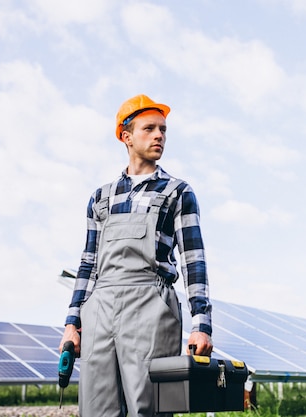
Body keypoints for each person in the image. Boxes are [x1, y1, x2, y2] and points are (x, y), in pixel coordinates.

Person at [59, 94, 213, 417]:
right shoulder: (100, 198)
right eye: (150, 129)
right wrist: (72, 324)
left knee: (149, 408)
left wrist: (202, 324)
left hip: (150, 306)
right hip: (99, 309)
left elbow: (193, 260)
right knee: (96, 409)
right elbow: (88, 264)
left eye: (163, 130)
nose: (160, 136)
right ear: (126, 137)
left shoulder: (177, 192)